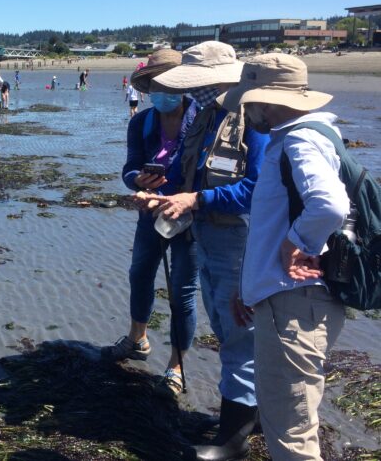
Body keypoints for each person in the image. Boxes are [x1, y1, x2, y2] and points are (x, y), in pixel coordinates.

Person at [136, 41, 270, 461]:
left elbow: (258, 189)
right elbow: (182, 174)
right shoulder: (208, 117)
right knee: (229, 325)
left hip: (241, 241)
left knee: (237, 333)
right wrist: (159, 196)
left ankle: (233, 440)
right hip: (206, 237)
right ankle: (256, 413)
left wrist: (196, 201)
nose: (188, 93)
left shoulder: (254, 121)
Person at [219, 54, 349, 461]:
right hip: (290, 299)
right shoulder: (309, 136)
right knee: (291, 418)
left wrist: (298, 243)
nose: (246, 111)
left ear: (266, 100)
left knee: (291, 431)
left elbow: (329, 206)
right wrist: (250, 289)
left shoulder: (298, 140)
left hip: (294, 303)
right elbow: (270, 226)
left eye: (249, 102)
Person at [111, 49, 199, 398]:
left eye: (168, 84)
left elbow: (209, 174)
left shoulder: (203, 120)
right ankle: (138, 337)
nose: (161, 91)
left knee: (183, 290)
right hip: (149, 213)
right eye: (155, 85)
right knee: (139, 273)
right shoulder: (141, 122)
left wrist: (187, 196)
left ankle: (176, 364)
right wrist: (137, 182)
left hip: (190, 216)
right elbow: (130, 167)